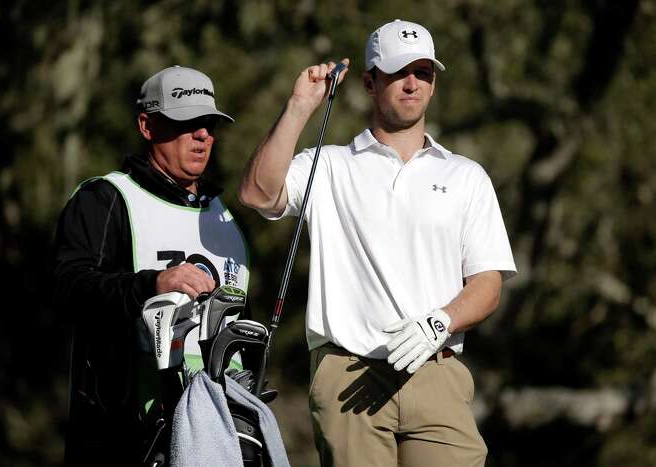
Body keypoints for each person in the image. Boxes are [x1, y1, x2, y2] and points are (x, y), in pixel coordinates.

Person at [239, 19, 517, 467]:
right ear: (370, 82)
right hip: (348, 375)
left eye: (423, 73)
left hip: (437, 371)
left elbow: (487, 282)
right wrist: (299, 106)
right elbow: (258, 193)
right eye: (398, 72)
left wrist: (440, 323)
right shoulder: (328, 166)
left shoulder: (465, 175)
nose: (412, 83)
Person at [53, 65, 249, 466]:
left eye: (209, 124)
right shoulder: (106, 198)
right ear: (146, 125)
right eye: (187, 122)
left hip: (222, 428)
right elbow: (68, 288)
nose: (202, 136)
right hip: (124, 434)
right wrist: (151, 285)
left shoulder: (226, 218)